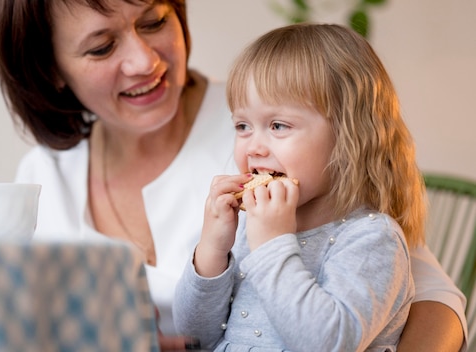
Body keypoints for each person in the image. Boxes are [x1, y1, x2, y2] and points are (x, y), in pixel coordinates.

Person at [0, 1, 467, 350]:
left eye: (154, 21)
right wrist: (210, 252)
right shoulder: (43, 177)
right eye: (102, 47)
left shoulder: (282, 118)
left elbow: (429, 295)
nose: (143, 62)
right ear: (50, 69)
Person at [173, 22, 431, 351]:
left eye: (278, 125)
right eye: (242, 126)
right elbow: (195, 336)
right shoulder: (249, 229)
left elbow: (327, 343)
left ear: (348, 135)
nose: (253, 147)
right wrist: (211, 251)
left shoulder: (372, 239)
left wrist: (271, 246)